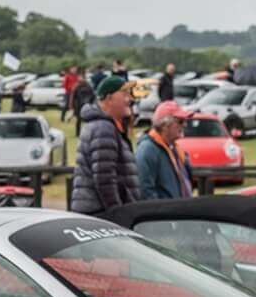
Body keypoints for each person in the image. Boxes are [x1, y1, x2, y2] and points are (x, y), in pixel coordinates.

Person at [70, 76, 140, 216]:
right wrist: (119, 214)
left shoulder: (106, 126)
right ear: (109, 98)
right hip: (101, 216)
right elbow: (104, 179)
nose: (131, 99)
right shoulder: (103, 128)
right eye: (125, 94)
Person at [135, 101, 193, 200]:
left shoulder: (174, 148)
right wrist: (161, 212)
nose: (185, 125)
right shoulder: (147, 150)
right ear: (164, 125)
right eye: (180, 121)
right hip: (164, 213)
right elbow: (145, 190)